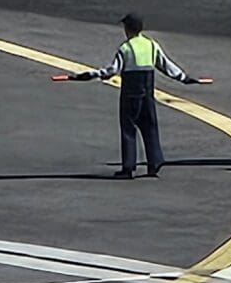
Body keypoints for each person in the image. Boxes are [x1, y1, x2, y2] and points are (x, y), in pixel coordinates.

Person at [68, 13, 209, 178]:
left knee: (128, 129)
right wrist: (184, 78)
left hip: (130, 93)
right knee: (150, 126)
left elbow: (112, 70)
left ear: (127, 29)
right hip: (147, 92)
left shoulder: (126, 48)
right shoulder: (151, 45)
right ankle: (154, 164)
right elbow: (166, 65)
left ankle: (128, 168)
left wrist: (89, 75)